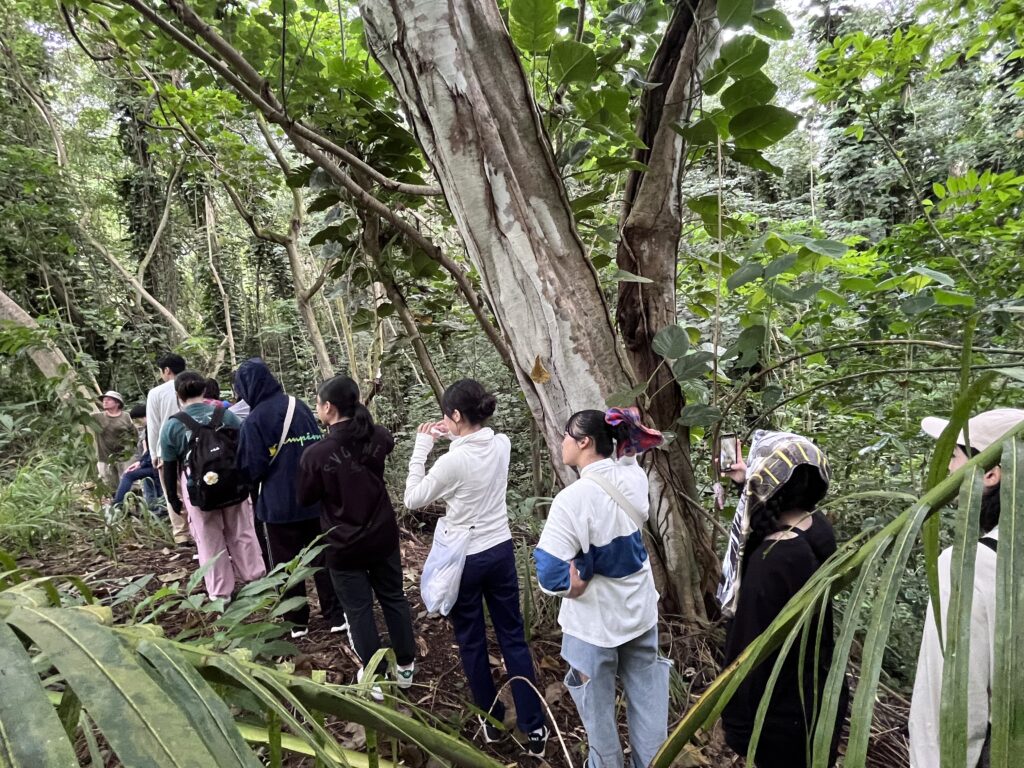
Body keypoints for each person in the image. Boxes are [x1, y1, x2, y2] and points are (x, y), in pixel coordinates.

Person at [405, 379, 549, 755]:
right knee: (513, 637)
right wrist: (452, 435)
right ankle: (535, 728)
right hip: (500, 551)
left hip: (465, 559)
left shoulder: (453, 461)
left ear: (455, 414)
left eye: (447, 416)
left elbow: (412, 499)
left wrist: (423, 445)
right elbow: (476, 444)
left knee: (471, 640)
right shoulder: (501, 445)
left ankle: (492, 719)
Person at [534, 407, 669, 768]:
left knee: (599, 720)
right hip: (640, 614)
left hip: (593, 626)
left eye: (567, 434)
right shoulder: (634, 480)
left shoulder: (572, 500)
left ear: (584, 442)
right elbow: (629, 459)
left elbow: (549, 571)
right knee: (649, 703)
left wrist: (570, 586)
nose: (562, 441)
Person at [720, 436, 846, 768]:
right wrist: (746, 483)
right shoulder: (817, 529)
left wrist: (736, 720)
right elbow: (764, 514)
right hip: (816, 697)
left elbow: (747, 647)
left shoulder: (772, 560)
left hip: (776, 714)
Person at [909, 408, 1024, 768]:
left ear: (991, 473)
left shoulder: (970, 565)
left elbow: (953, 700)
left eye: (955, 455)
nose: (947, 468)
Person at [297, 375, 416, 693]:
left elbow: (305, 497)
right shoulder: (378, 436)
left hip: (342, 543)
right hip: (381, 535)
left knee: (358, 609)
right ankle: (406, 666)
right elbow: (383, 445)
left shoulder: (316, 455)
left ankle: (375, 676)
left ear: (328, 408)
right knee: (393, 597)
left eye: (319, 404)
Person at [234, 358, 345, 637]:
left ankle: (296, 621)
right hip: (314, 498)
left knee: (284, 564)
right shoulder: (301, 406)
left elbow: (250, 467)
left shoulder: (255, 420)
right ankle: (335, 615)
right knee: (322, 558)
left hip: (277, 505)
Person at [159, 371, 265, 601]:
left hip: (198, 490)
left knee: (208, 539)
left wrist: (173, 498)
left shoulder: (173, 426)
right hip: (233, 484)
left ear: (178, 394)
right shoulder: (225, 415)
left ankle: (220, 593)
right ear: (204, 390)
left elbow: (169, 467)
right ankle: (256, 581)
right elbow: (244, 447)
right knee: (242, 532)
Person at [147, 353, 190, 545]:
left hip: (166, 449)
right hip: (193, 447)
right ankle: (199, 528)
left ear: (167, 370)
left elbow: (153, 425)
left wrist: (154, 453)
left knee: (172, 492)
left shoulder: (156, 393)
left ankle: (181, 534)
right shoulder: (193, 385)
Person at [112, 404, 162, 509]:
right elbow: (148, 452)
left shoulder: (153, 428)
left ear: (144, 416)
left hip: (158, 465)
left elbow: (155, 451)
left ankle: (117, 505)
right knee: (133, 475)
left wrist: (142, 463)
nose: (137, 423)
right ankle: (154, 508)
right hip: (152, 463)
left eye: (137, 420)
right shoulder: (150, 427)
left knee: (128, 475)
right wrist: (139, 463)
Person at [91, 390, 135, 492]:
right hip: (104, 457)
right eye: (104, 400)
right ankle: (117, 506)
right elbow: (80, 415)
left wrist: (131, 451)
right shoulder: (97, 417)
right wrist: (69, 400)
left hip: (124, 456)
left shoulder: (126, 416)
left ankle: (137, 505)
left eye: (109, 400)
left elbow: (133, 434)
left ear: (117, 403)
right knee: (110, 485)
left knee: (130, 483)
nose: (105, 402)